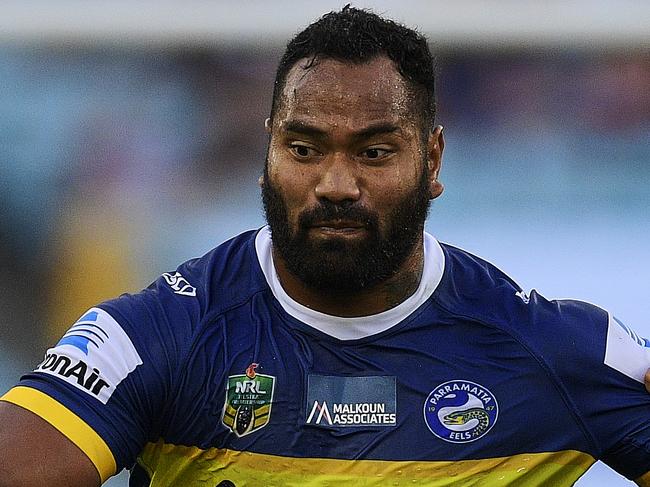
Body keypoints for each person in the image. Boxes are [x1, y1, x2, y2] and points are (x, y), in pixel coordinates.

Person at [1, 6, 649, 486]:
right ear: (268, 154)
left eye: (374, 151)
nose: (336, 184)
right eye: (304, 148)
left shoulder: (549, 351)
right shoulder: (162, 332)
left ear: (432, 159)